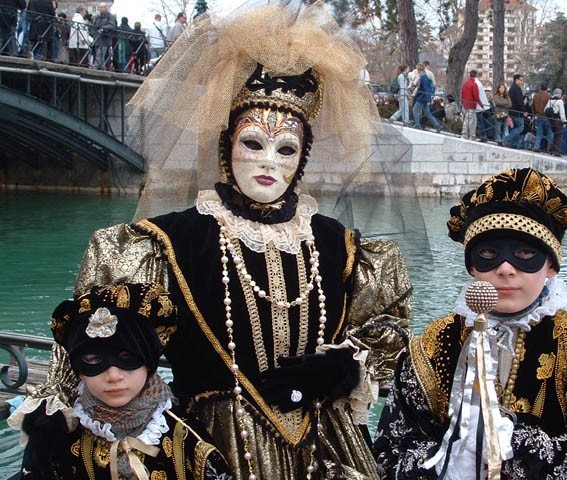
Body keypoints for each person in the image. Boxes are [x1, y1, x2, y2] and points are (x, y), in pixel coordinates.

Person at [17, 3, 413, 479]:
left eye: (286, 149)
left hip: (328, 446)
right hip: (215, 448)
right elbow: (95, 330)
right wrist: (53, 415)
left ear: (302, 158)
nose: (269, 162)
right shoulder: (165, 242)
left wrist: (347, 367)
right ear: (227, 146)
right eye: (253, 143)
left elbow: (386, 332)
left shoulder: (342, 246)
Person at [374, 167, 567, 479]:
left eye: (525, 252)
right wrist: (448, 457)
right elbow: (388, 454)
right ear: (472, 266)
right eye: (489, 253)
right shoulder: (431, 346)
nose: (506, 269)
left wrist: (517, 446)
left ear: (551, 265)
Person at [10, 282, 232, 480]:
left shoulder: (186, 440)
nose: (114, 376)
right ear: (79, 370)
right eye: (93, 360)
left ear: (148, 363)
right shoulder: (57, 437)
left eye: (127, 358)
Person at [412, 63, 441, 132]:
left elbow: (426, 89)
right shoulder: (425, 77)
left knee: (415, 110)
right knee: (427, 113)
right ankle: (437, 126)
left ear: (419, 70)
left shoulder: (423, 77)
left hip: (422, 98)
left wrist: (428, 100)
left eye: (417, 69)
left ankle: (417, 125)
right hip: (425, 98)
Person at [91, 2, 116, 70]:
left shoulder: (110, 16)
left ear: (105, 8)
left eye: (101, 7)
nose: (100, 9)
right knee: (100, 56)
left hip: (105, 39)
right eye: (99, 7)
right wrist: (93, 33)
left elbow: (112, 26)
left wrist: (103, 28)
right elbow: (94, 26)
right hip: (97, 39)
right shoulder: (98, 17)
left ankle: (94, 68)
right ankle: (103, 70)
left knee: (100, 54)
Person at [505, 73, 526, 148]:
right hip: (517, 112)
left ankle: (514, 144)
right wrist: (524, 110)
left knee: (514, 128)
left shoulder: (511, 88)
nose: (522, 82)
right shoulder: (517, 89)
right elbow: (519, 101)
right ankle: (507, 140)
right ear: (516, 80)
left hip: (511, 111)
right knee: (520, 128)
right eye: (521, 80)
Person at [532, 83, 552, 152]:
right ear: (546, 88)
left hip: (538, 115)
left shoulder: (536, 96)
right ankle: (550, 147)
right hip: (546, 116)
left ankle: (536, 146)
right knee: (550, 133)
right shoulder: (549, 97)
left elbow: (533, 106)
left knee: (539, 133)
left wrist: (534, 113)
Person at [460, 69, 480, 140]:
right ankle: (469, 135)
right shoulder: (474, 85)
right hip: (471, 105)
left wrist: (462, 103)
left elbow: (462, 94)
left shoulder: (465, 84)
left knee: (469, 119)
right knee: (471, 120)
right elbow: (476, 96)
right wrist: (481, 105)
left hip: (465, 104)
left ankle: (468, 135)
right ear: (476, 76)